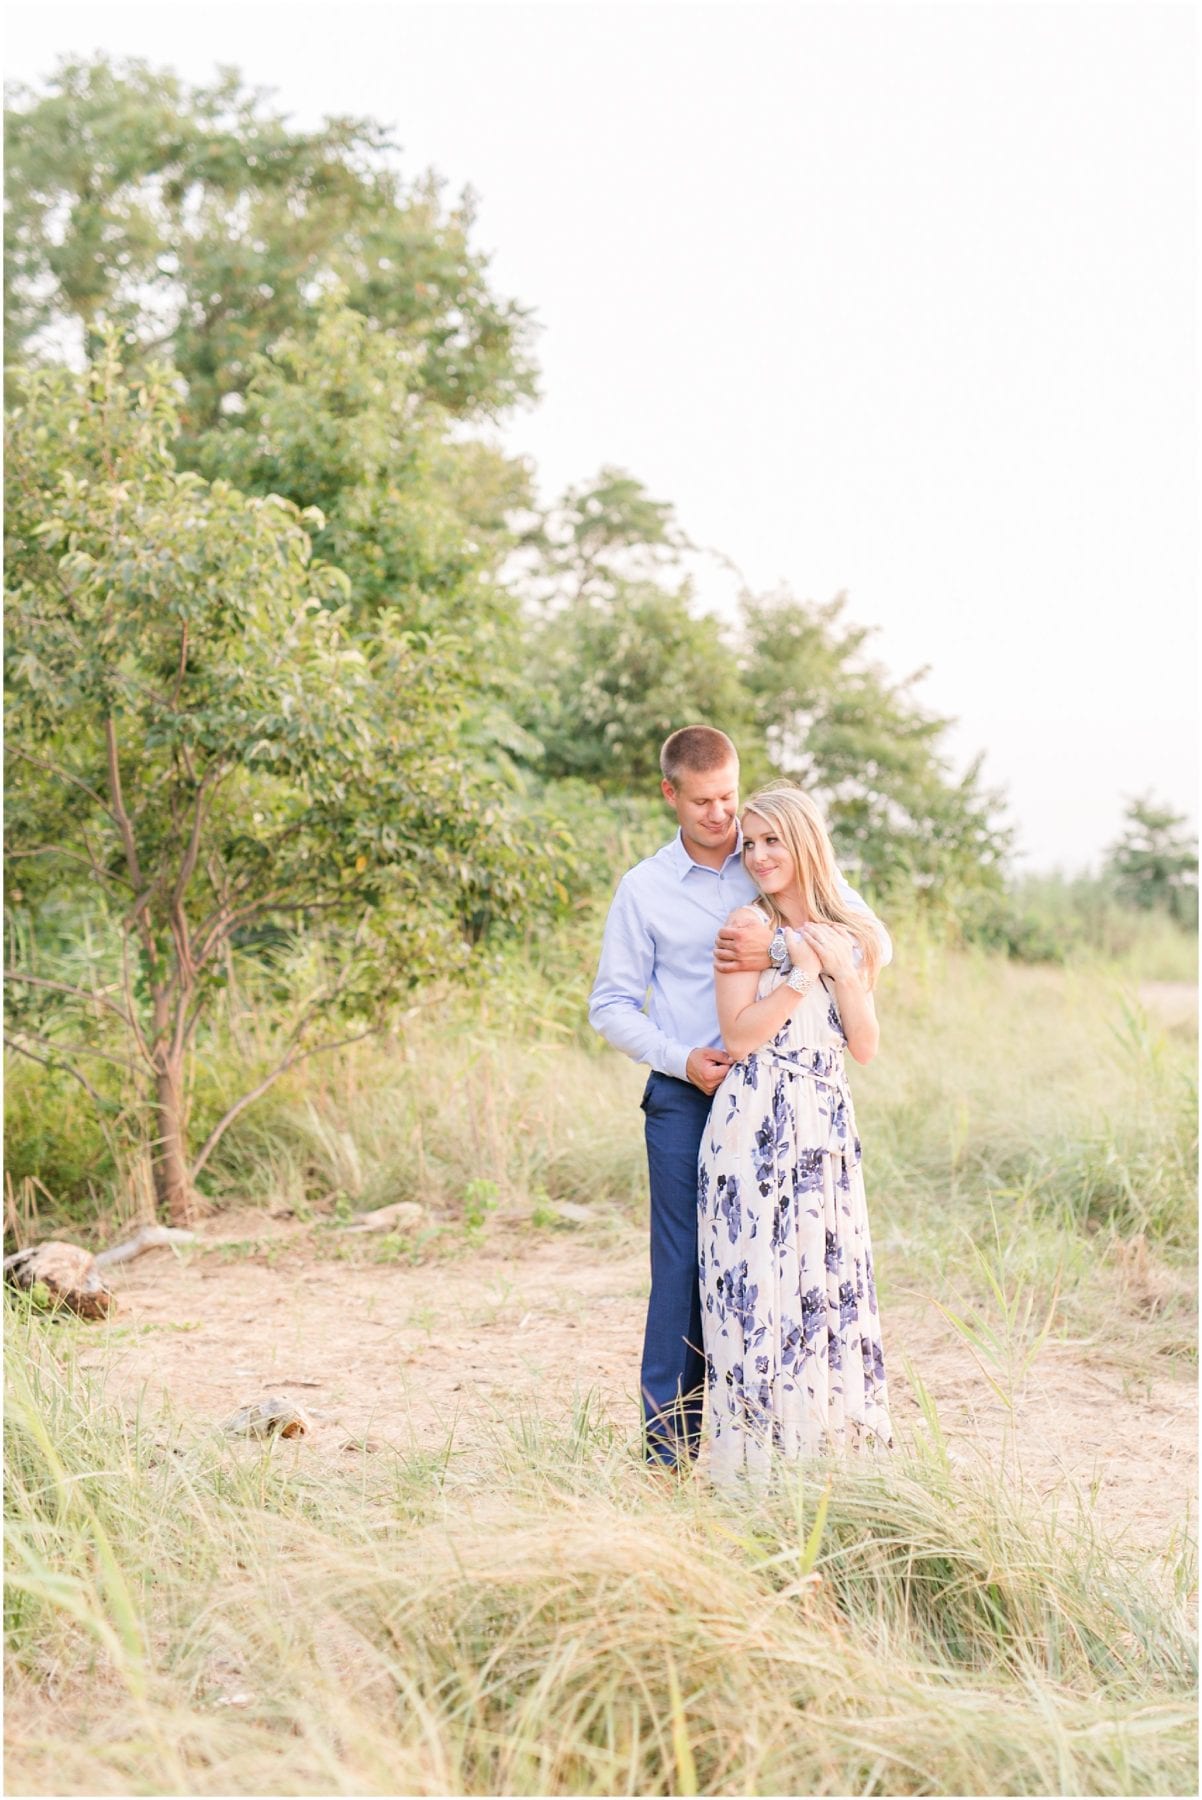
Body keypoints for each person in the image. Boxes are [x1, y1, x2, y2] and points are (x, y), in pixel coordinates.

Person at [588, 726, 891, 1470]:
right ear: (671, 796)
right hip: (690, 1092)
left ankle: (775, 1435)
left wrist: (785, 951)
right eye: (704, 803)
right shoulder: (645, 889)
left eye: (729, 796)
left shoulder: (774, 851)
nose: (724, 818)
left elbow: (870, 941)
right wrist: (682, 1059)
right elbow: (611, 1004)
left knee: (784, 1264)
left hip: (788, 1098)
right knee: (687, 1267)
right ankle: (669, 1453)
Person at [699, 783, 893, 1484]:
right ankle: (753, 1473)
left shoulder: (852, 933)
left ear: (805, 841)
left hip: (825, 1127)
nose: (757, 856)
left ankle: (827, 1467)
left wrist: (832, 967)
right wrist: (798, 976)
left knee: (824, 1287)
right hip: (753, 1120)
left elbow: (865, 1045)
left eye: (772, 840)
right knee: (759, 1287)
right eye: (750, 844)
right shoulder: (745, 926)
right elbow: (740, 1035)